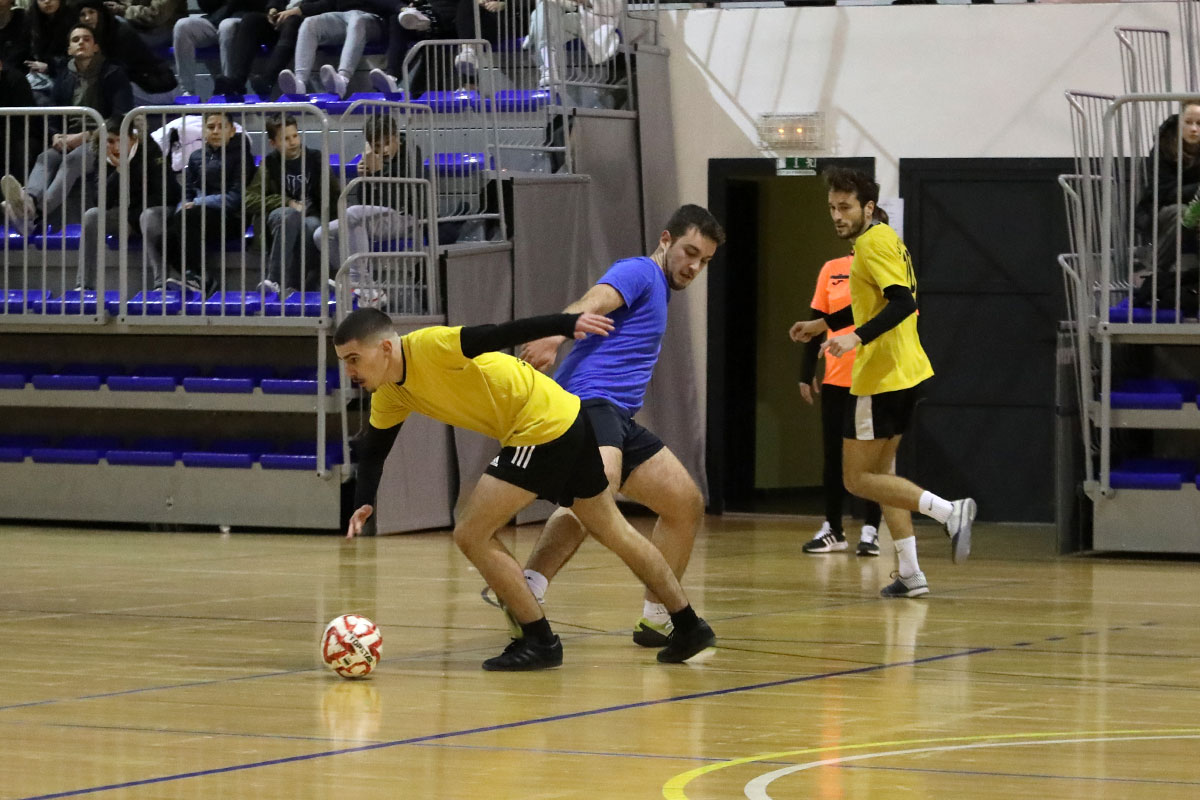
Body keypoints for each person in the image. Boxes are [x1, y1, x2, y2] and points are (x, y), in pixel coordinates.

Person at [334, 307, 717, 670]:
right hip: (568, 417)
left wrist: (566, 324)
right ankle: (689, 626)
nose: (349, 371)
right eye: (344, 361)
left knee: (472, 533)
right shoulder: (390, 393)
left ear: (386, 348)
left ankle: (539, 641)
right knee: (613, 529)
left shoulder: (429, 346)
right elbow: (374, 450)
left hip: (539, 426)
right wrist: (364, 501)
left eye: (354, 359)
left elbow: (500, 333)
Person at [507, 204, 722, 647]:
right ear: (666, 240)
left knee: (684, 504)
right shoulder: (640, 271)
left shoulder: (659, 288)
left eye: (704, 261)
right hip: (590, 401)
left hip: (619, 415)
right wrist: (555, 333)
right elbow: (595, 300)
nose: (694, 266)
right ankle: (525, 591)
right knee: (596, 495)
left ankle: (657, 618)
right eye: (689, 252)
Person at [818, 166, 975, 598]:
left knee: (856, 479)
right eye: (832, 207)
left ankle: (950, 512)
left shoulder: (871, 244)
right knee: (883, 474)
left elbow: (902, 303)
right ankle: (910, 573)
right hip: (905, 372)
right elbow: (872, 302)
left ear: (868, 207)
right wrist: (823, 325)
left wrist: (855, 338)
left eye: (845, 207)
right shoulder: (885, 239)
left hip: (880, 376)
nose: (837, 215)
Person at [788, 213, 887, 557]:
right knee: (833, 457)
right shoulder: (832, 269)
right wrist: (806, 371)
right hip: (836, 380)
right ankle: (833, 528)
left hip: (872, 381)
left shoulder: (887, 274)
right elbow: (818, 321)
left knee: (870, 461)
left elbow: (881, 317)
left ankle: (872, 529)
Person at [1, 24, 133, 235]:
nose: (81, 43)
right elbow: (54, 113)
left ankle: (35, 213)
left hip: (104, 140)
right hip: (70, 138)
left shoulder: (114, 74)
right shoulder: (64, 76)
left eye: (86, 39)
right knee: (45, 157)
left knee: (73, 161)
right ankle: (29, 200)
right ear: (69, 49)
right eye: (75, 40)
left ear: (96, 47)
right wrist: (55, 134)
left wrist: (85, 136)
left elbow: (120, 117)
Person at [142, 111, 256, 291]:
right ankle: (204, 280)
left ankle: (195, 276)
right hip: (197, 216)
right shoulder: (195, 157)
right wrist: (182, 209)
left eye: (221, 127)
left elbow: (235, 198)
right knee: (163, 240)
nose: (215, 131)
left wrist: (198, 203)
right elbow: (187, 193)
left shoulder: (242, 156)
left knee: (189, 217)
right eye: (211, 127)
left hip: (232, 217)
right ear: (204, 131)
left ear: (232, 131)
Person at [316, 113, 418, 307]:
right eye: (377, 146)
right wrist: (365, 178)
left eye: (387, 143)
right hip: (377, 219)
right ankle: (357, 284)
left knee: (353, 214)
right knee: (321, 234)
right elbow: (366, 202)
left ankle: (362, 284)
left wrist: (378, 173)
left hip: (407, 218)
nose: (384, 150)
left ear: (396, 137)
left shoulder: (411, 153)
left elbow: (399, 202)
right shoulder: (370, 160)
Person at [79, 115, 179, 290]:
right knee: (92, 216)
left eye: (121, 140)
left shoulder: (149, 149)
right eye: (110, 141)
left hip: (158, 212)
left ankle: (162, 284)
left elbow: (166, 194)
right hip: (128, 214)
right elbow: (100, 200)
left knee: (148, 216)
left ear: (133, 138)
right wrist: (119, 170)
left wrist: (131, 217)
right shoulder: (103, 156)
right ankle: (84, 286)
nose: (116, 147)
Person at [246, 114, 340, 295]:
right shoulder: (269, 164)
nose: (293, 142)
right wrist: (286, 202)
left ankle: (294, 286)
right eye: (286, 139)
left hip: (311, 217)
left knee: (310, 225)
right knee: (290, 216)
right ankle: (275, 280)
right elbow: (249, 198)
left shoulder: (316, 159)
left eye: (295, 136)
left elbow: (333, 195)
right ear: (273, 143)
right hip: (282, 216)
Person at [1134, 103, 1200, 276]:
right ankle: (1155, 269)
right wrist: (1197, 190)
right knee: (1183, 212)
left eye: (1199, 124)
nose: (1194, 129)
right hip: (1162, 210)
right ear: (1180, 123)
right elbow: (1162, 193)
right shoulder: (1164, 147)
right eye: (1188, 122)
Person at [276, 0, 387, 98]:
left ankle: (342, 80)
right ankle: (300, 83)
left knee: (357, 20)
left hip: (374, 18)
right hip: (343, 15)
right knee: (309, 23)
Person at [75, 0, 178, 99]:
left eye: (91, 12)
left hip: (158, 30)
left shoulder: (120, 31)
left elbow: (156, 15)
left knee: (116, 24)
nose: (87, 18)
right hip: (133, 24)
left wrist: (122, 10)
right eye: (83, 15)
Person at [172, 0, 266, 97]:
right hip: (214, 19)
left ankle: (229, 88)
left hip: (244, 21)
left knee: (226, 26)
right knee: (182, 25)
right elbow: (205, 6)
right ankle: (187, 92)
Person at [102, 0, 184, 48]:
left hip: (162, 29)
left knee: (117, 26)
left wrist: (122, 10)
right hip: (136, 24)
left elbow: (155, 16)